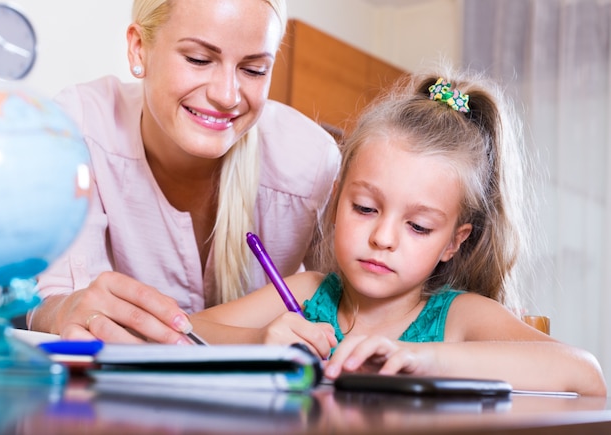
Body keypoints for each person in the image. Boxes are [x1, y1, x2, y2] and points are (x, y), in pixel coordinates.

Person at [189, 68, 607, 396]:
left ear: (453, 242)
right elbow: (182, 331)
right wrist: (261, 339)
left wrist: (424, 359)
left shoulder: (457, 316)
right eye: (365, 208)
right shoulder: (307, 293)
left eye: (419, 226)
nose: (383, 237)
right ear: (336, 201)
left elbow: (585, 374)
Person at [28, 0, 340, 344]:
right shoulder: (80, 126)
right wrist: (61, 310)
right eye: (198, 60)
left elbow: (351, 311)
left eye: (253, 70)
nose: (226, 95)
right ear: (138, 49)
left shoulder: (312, 162)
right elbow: (52, 298)